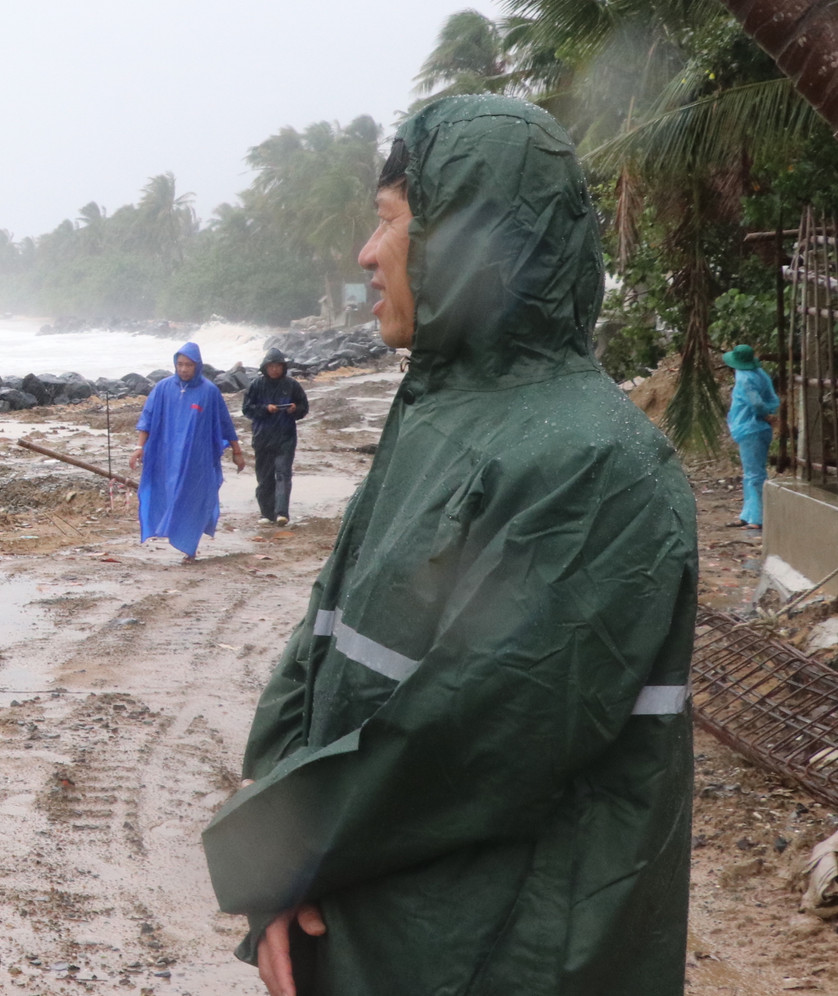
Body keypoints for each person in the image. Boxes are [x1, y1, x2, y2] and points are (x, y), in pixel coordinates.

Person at [203, 95, 697, 996]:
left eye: (389, 222)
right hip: (368, 928)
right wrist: (276, 862)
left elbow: (476, 736)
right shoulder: (436, 415)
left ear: (467, 244)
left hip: (501, 950)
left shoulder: (591, 461)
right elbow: (319, 648)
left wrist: (274, 852)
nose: (363, 253)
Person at [129, 342, 246, 561]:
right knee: (169, 494)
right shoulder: (163, 388)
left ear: (198, 366)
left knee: (193, 498)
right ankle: (171, 532)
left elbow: (224, 423)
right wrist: (139, 448)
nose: (183, 369)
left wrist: (237, 451)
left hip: (197, 459)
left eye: (188, 365)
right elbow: (147, 419)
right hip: (167, 456)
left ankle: (189, 546)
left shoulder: (209, 392)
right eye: (180, 364)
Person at [241, 348, 309, 526]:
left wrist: (295, 409)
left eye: (278, 366)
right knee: (264, 477)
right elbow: (247, 409)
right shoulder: (256, 385)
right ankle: (266, 513)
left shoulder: (292, 385)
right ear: (265, 367)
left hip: (285, 437)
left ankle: (281, 513)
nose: (275, 370)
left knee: (283, 474)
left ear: (283, 367)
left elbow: (304, 407)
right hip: (262, 437)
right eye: (271, 366)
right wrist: (265, 409)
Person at [723, 343, 779, 528]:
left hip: (750, 428)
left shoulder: (744, 379)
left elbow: (756, 403)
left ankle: (756, 517)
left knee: (754, 474)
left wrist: (764, 414)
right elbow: (772, 399)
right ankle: (747, 514)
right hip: (757, 428)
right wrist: (769, 414)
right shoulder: (760, 374)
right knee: (751, 473)